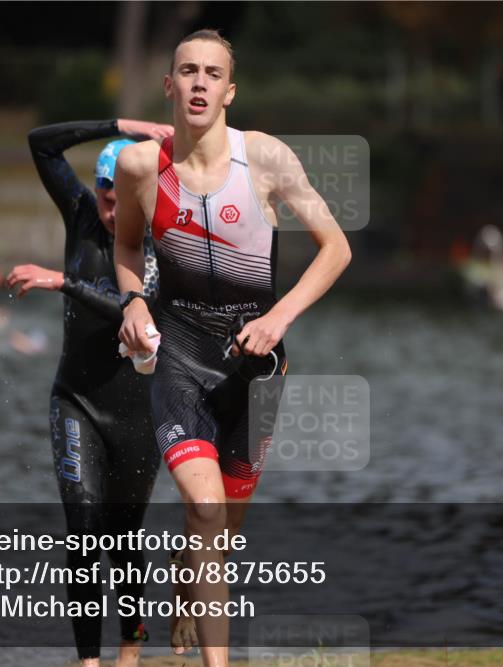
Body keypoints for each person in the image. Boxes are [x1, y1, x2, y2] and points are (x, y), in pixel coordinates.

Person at [113, 29, 352, 666]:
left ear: (229, 92)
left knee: (222, 527)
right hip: (180, 356)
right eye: (187, 71)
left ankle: (189, 589)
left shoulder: (266, 159)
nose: (198, 83)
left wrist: (279, 317)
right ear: (169, 85)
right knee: (207, 507)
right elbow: (128, 246)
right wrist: (133, 300)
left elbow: (337, 248)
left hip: (256, 366)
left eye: (212, 74)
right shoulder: (141, 168)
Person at [6, 117, 173, 667]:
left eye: (120, 200)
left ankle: (130, 649)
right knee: (82, 532)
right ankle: (87, 662)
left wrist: (62, 282)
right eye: (105, 197)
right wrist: (122, 124)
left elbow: (131, 310)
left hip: (138, 411)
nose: (110, 210)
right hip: (76, 399)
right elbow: (41, 144)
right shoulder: (80, 214)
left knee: (123, 537)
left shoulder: (156, 242)